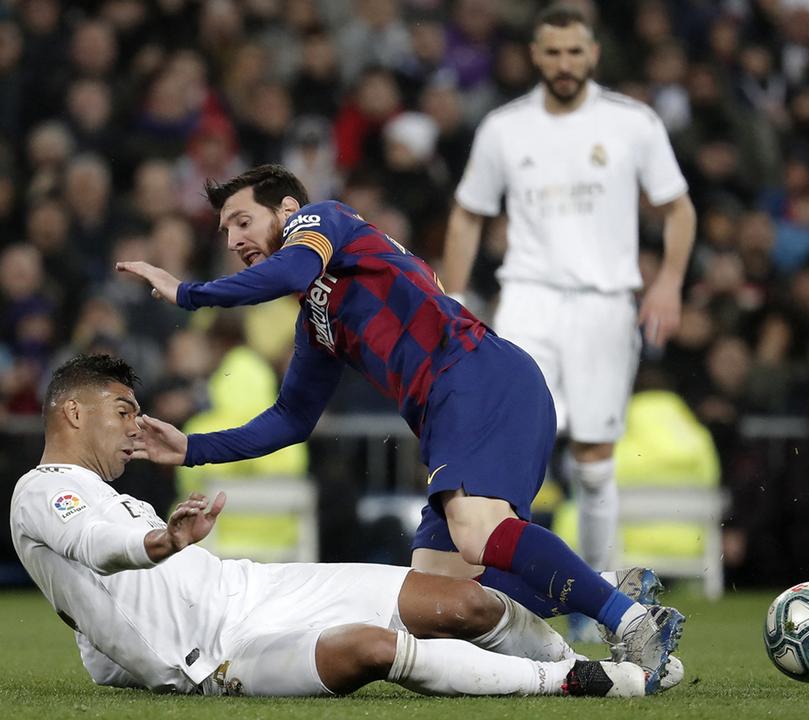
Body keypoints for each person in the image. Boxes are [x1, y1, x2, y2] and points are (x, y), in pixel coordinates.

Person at [115, 162, 684, 685]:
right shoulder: (318, 318)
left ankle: (631, 622)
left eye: (242, 222)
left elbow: (291, 267)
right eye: (224, 232)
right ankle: (601, 594)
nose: (233, 241)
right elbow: (291, 419)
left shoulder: (322, 220)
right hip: (457, 403)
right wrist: (192, 448)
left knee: (476, 532)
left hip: (474, 375)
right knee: (437, 605)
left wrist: (188, 293)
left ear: (287, 210)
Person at [10, 354, 675, 698]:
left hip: (253, 585)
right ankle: (571, 682)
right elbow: (96, 548)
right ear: (73, 412)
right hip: (216, 652)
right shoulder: (41, 490)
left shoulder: (103, 494)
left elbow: (99, 604)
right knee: (373, 650)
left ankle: (593, 660)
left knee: (463, 602)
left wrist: (109, 652)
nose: (135, 428)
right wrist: (161, 541)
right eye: (123, 412)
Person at [442, 4, 696, 577]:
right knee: (509, 448)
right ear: (536, 56)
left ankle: (597, 593)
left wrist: (670, 281)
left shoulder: (633, 123)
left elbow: (679, 208)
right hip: (528, 299)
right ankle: (505, 590)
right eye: (553, 52)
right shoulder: (505, 127)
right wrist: (453, 297)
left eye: (574, 52)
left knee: (594, 460)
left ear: (593, 54)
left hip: (605, 303)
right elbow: (467, 214)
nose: (564, 63)